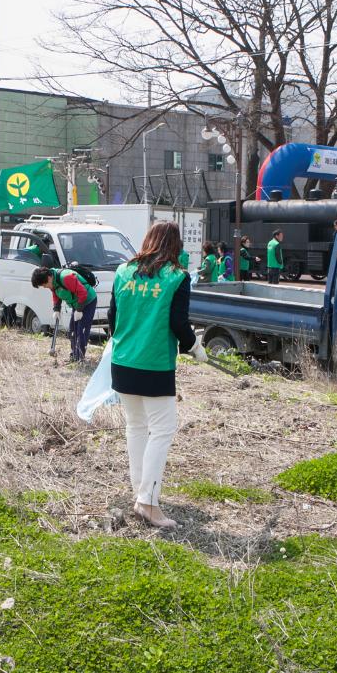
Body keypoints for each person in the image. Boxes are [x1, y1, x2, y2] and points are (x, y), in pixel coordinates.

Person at [107, 220, 206, 528]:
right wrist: (194, 346)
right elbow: (179, 323)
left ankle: (141, 493)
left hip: (122, 360)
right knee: (162, 430)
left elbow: (112, 318)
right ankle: (148, 502)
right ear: (175, 246)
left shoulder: (123, 272)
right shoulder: (177, 277)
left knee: (136, 427)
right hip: (154, 363)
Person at [32, 265, 97, 362]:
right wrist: (56, 309)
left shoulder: (66, 278)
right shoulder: (53, 281)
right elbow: (56, 294)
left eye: (44, 285)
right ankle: (74, 356)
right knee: (73, 329)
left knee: (81, 330)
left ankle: (80, 358)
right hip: (76, 303)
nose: (45, 287)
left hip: (88, 301)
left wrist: (79, 310)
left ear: (49, 278)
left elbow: (83, 292)